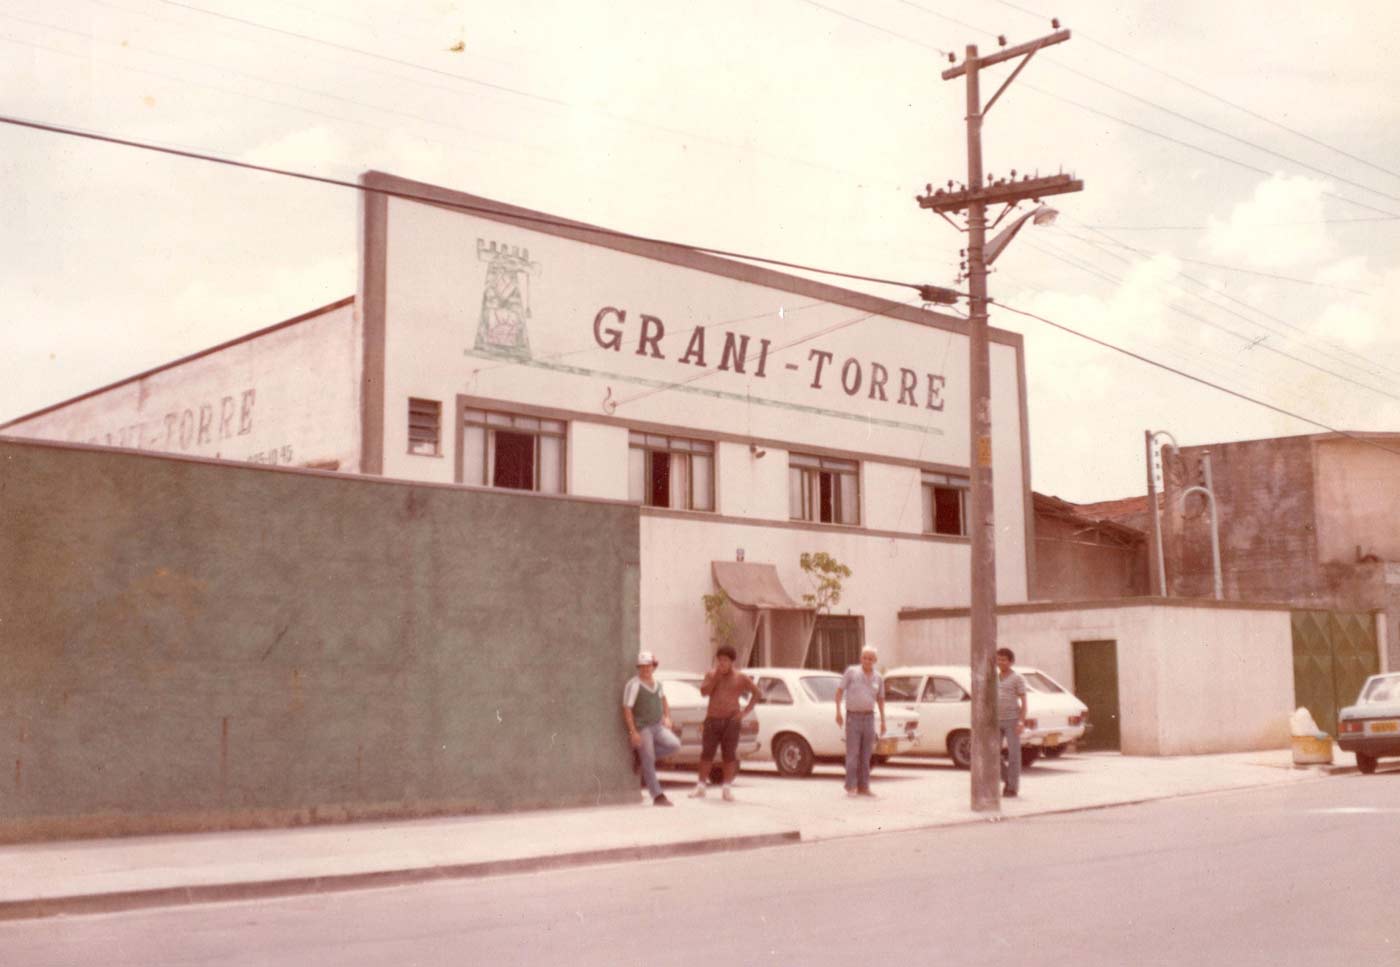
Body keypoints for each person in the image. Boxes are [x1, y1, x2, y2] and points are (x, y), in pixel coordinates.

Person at [692, 645, 759, 801]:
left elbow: (757, 693)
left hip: (731, 721)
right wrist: (715, 678)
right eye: (720, 660)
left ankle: (726, 788)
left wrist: (745, 712)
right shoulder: (711, 675)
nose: (722, 663)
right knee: (706, 754)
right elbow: (704, 692)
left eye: (725, 660)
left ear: (731, 662)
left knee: (729, 755)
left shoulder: (740, 677)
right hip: (712, 719)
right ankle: (701, 786)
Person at [622, 650, 680, 807]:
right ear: (638, 668)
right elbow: (627, 708)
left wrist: (667, 717)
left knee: (674, 745)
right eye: (642, 667)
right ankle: (657, 795)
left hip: (657, 726)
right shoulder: (633, 685)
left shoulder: (658, 684)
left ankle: (642, 757)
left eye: (648, 666)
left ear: (653, 667)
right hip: (643, 727)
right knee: (649, 761)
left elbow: (664, 701)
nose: (646, 670)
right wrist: (633, 732)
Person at [835, 645, 886, 797]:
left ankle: (864, 787)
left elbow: (881, 699)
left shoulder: (878, 678)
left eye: (870, 658)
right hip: (853, 718)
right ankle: (851, 786)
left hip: (869, 718)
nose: (867, 661)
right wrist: (838, 712)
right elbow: (839, 691)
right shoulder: (851, 672)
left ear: (875, 660)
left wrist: (883, 721)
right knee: (852, 754)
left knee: (866, 755)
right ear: (860, 658)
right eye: (865, 657)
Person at [996, 646, 1029, 798]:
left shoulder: (1017, 678)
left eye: (1004, 660)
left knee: (1014, 755)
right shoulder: (994, 678)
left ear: (1011, 662)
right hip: (996, 721)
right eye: (998, 659)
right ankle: (1008, 780)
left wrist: (1021, 722)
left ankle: (1012, 787)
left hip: (1012, 721)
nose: (1000, 662)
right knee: (993, 754)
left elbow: (1024, 702)